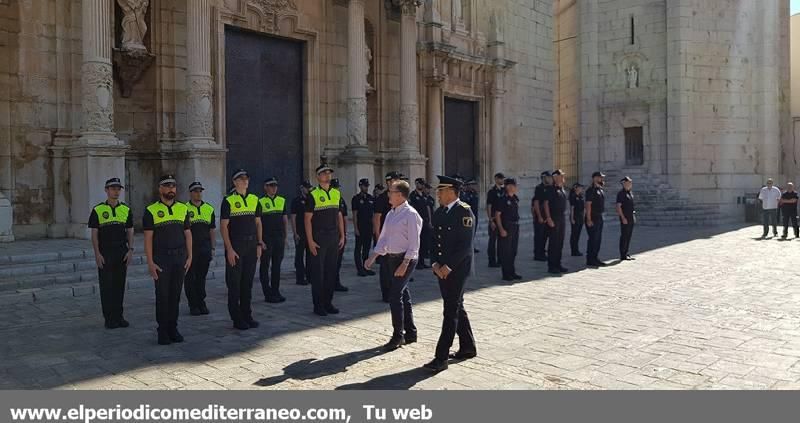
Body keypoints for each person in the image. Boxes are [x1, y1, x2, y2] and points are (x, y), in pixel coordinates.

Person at [423, 175, 477, 373]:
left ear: (452, 192)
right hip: (442, 268)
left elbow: (465, 246)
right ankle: (468, 347)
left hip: (458, 269)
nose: (438, 193)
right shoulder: (439, 212)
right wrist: (435, 263)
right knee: (457, 306)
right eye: (438, 191)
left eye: (441, 190)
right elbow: (432, 240)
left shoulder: (464, 211)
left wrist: (448, 266)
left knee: (450, 311)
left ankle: (441, 357)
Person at [364, 180, 422, 351]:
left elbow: (414, 243)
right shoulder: (391, 214)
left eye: (391, 191)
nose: (388, 194)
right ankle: (411, 332)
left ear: (400, 195)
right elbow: (384, 239)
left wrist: (405, 264)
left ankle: (398, 335)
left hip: (406, 259)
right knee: (403, 294)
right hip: (391, 258)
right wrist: (373, 256)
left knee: (394, 295)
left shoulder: (411, 214)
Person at [143, 175, 192, 345]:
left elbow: (187, 233)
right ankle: (162, 331)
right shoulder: (151, 211)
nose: (171, 188)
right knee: (162, 296)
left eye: (173, 185)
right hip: (161, 259)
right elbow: (148, 238)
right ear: (160, 189)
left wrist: (190, 255)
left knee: (176, 295)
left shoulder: (183, 209)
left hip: (179, 258)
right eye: (167, 185)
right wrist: (150, 262)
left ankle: (173, 328)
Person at [88, 177, 134, 329]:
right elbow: (94, 234)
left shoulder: (126, 209)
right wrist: (97, 253)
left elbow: (130, 230)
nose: (116, 191)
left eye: (118, 188)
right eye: (113, 188)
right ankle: (109, 318)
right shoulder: (98, 210)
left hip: (121, 251)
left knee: (119, 286)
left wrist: (130, 250)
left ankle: (119, 316)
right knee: (107, 286)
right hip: (105, 252)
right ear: (106, 190)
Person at [220, 169, 263, 330]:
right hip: (236, 246)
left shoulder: (254, 199)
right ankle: (236, 318)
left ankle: (247, 315)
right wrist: (229, 249)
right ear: (234, 182)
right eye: (241, 179)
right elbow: (224, 227)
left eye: (246, 178)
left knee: (247, 284)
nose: (245, 181)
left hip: (251, 246)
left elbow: (258, 223)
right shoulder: (228, 201)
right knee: (234, 284)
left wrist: (259, 243)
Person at [305, 164, 346, 316]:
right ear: (318, 177)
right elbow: (307, 220)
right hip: (319, 237)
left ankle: (328, 302)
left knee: (331, 271)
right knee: (318, 273)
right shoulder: (313, 195)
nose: (327, 175)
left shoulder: (336, 193)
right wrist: (310, 241)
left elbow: (339, 216)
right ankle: (318, 305)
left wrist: (342, 235)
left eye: (329, 173)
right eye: (324, 173)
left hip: (333, 236)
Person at [184, 181, 216, 315]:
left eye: (200, 191)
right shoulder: (183, 208)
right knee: (190, 277)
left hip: (204, 248)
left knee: (201, 277)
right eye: (195, 191)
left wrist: (213, 248)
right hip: (190, 250)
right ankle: (193, 305)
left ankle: (201, 302)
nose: (198, 193)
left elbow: (212, 230)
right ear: (190, 193)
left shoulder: (209, 208)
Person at [258, 177, 289, 303]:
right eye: (271, 186)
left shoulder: (282, 200)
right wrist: (260, 240)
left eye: (275, 185)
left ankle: (276, 291)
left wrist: (285, 237)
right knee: (265, 266)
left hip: (278, 238)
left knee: (277, 266)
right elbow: (257, 222)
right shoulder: (259, 202)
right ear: (265, 187)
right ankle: (267, 293)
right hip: (267, 238)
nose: (274, 188)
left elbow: (285, 219)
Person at [374, 171, 402, 302]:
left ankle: (395, 291)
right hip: (385, 238)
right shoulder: (382, 198)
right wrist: (379, 238)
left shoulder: (400, 197)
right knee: (385, 268)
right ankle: (386, 294)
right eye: (395, 180)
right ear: (389, 182)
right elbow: (377, 218)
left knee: (397, 266)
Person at [494, 177, 521, 281]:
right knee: (506, 251)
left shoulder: (515, 198)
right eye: (514, 185)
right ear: (509, 186)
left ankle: (512, 272)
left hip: (515, 226)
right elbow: (497, 214)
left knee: (513, 251)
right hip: (506, 226)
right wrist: (501, 229)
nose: (516, 187)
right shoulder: (502, 198)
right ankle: (506, 274)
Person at [544, 169, 569, 274]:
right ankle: (552, 265)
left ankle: (558, 264)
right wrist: (548, 218)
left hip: (561, 218)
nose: (563, 177)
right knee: (553, 243)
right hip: (553, 217)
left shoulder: (562, 189)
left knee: (560, 242)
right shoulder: (550, 189)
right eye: (561, 176)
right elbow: (546, 204)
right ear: (555, 177)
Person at [352, 178, 376, 277]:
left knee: (366, 248)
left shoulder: (371, 198)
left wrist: (374, 227)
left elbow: (374, 214)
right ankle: (359, 269)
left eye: (367, 186)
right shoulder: (356, 199)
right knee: (358, 248)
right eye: (364, 186)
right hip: (360, 227)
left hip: (369, 227)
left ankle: (366, 267)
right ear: (360, 186)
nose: (366, 188)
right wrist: (356, 228)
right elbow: (354, 215)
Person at [291, 181, 313, 285]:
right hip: (300, 231)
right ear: (302, 188)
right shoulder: (296, 201)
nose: (308, 190)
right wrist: (295, 233)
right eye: (306, 188)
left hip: (309, 232)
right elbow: (293, 217)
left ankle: (309, 276)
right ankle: (300, 278)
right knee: (299, 256)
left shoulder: (311, 200)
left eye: (309, 188)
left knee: (310, 255)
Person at [409, 178, 433, 269]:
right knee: (417, 243)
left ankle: (422, 262)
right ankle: (417, 262)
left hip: (425, 222)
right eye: (421, 184)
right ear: (416, 184)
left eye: (423, 184)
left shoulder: (424, 195)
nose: (422, 186)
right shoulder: (413, 195)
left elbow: (428, 208)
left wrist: (430, 221)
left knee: (424, 243)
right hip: (416, 222)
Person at [585, 171, 607, 267]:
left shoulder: (600, 189)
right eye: (600, 177)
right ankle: (590, 259)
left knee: (598, 239)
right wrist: (589, 219)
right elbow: (588, 205)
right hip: (593, 217)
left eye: (602, 177)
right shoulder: (591, 190)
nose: (602, 179)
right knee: (593, 239)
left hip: (599, 217)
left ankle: (595, 257)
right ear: (594, 178)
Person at [331, 178, 349, 292]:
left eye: (338, 188)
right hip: (330, 233)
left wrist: (344, 234)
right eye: (335, 187)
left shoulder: (340, 200)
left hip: (339, 234)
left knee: (338, 262)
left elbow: (344, 217)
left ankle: (336, 282)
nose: (337, 189)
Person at [532, 171, 552, 261]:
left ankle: (542, 252)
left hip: (547, 216)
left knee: (545, 236)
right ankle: (538, 254)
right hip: (540, 216)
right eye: (548, 177)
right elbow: (536, 203)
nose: (549, 179)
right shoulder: (539, 188)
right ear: (543, 178)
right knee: (539, 236)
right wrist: (539, 216)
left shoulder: (550, 188)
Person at [486, 173, 505, 268]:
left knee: (502, 241)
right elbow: (489, 206)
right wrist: (490, 220)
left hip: (502, 220)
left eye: (503, 179)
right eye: (500, 179)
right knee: (492, 241)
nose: (502, 180)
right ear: (496, 179)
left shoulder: (503, 191)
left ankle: (501, 259)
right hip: (494, 218)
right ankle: (492, 261)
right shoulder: (492, 192)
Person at [616, 176, 636, 261]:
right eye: (628, 183)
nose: (629, 184)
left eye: (630, 183)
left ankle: (626, 253)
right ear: (623, 184)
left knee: (629, 236)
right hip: (625, 217)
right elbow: (618, 206)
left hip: (631, 217)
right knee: (624, 236)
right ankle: (623, 254)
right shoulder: (621, 194)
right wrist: (623, 217)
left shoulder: (630, 193)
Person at [464, 179, 480, 252]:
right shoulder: (465, 195)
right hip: (468, 216)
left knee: (473, 232)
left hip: (474, 215)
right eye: (472, 184)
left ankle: (471, 246)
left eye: (474, 184)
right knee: (468, 232)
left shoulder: (474, 193)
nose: (474, 186)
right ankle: (467, 247)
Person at [568, 182, 585, 257]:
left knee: (578, 234)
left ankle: (576, 249)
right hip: (575, 216)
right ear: (576, 188)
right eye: (580, 187)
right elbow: (572, 208)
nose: (581, 189)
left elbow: (583, 207)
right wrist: (572, 218)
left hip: (580, 217)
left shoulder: (581, 196)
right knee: (574, 234)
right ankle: (573, 250)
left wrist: (584, 217)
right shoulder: (573, 196)